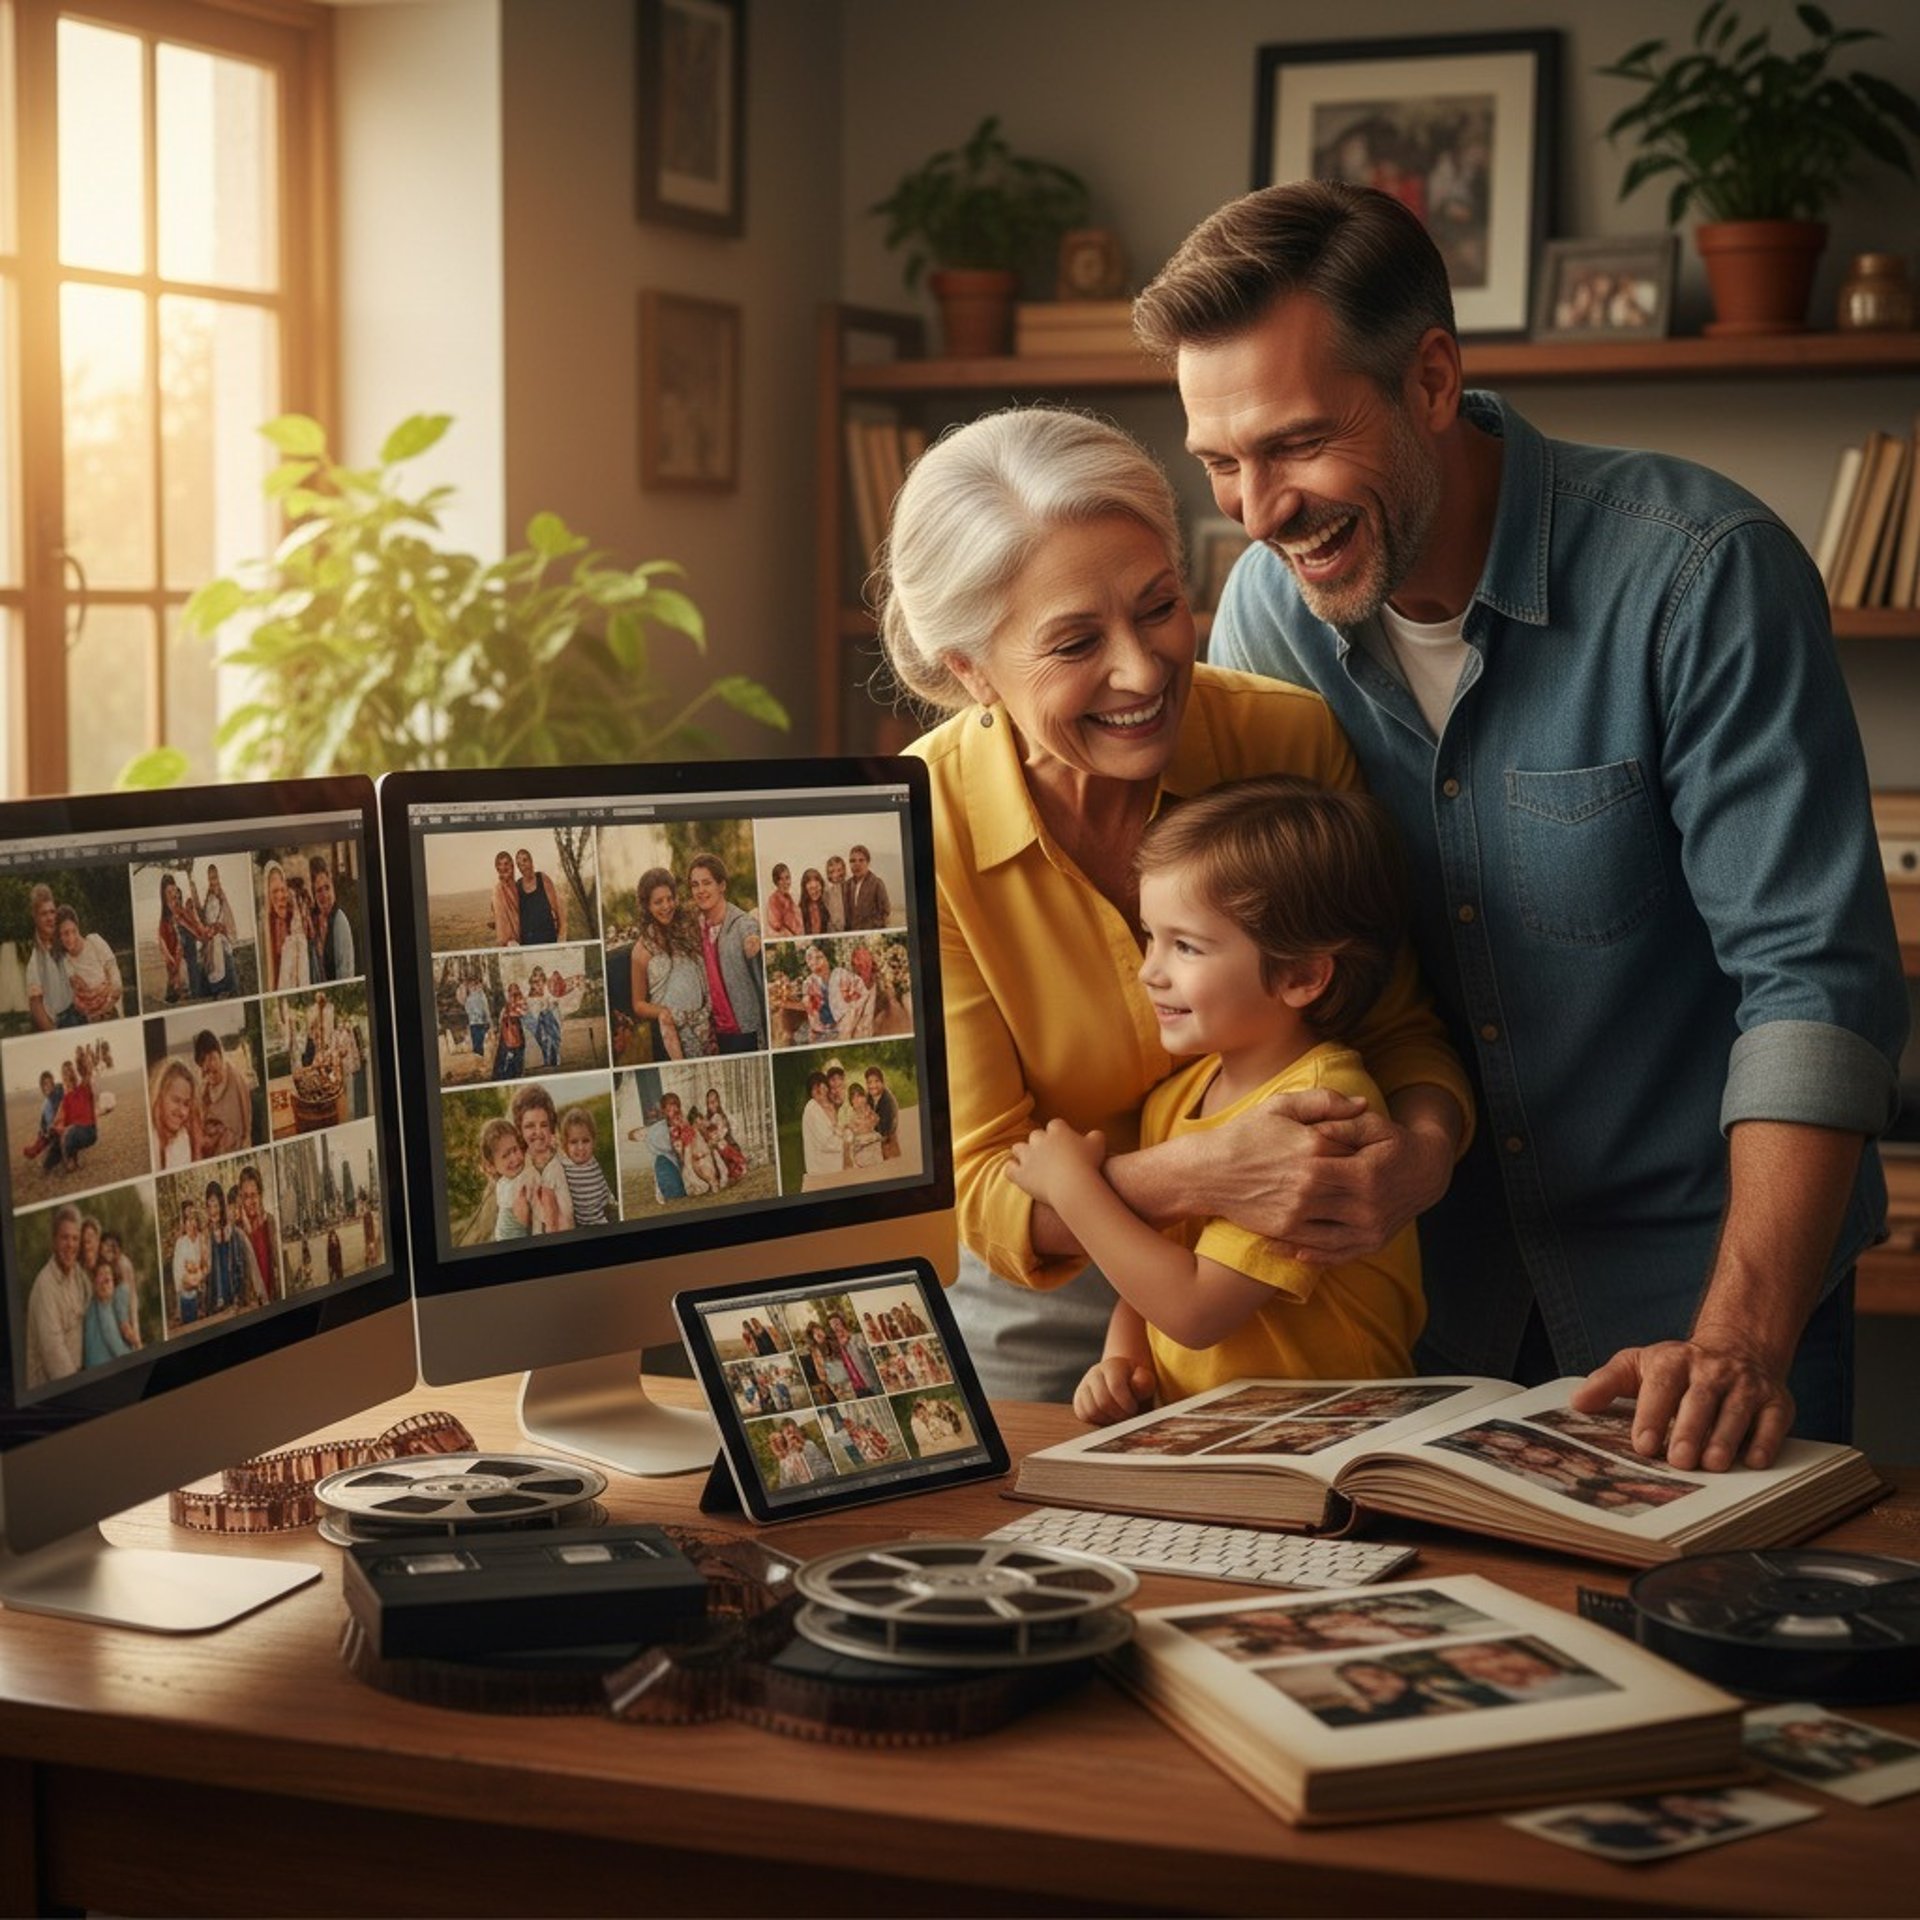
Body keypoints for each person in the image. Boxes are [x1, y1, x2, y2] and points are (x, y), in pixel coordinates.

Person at [1135, 179, 1908, 1465]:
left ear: (1432, 377)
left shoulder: (1701, 574)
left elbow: (1813, 989)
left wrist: (1740, 1337)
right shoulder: (1269, 620)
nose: (1260, 512)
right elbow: (1271, 960)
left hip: (1702, 1310)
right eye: (1221, 462)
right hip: (1424, 1312)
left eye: (1296, 444)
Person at [880, 405, 1470, 1401]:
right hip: (1040, 1309)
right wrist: (1202, 1175)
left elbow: (1394, 1023)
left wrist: (1417, 1160)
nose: (1144, 670)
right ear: (970, 671)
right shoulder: (914, 831)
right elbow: (980, 1188)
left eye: (1158, 607)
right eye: (1075, 644)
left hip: (1301, 1296)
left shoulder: (1285, 742)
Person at [1012, 775, 1423, 1423]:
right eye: (1150, 936)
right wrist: (1122, 1361)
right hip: (1210, 1444)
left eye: (1186, 946)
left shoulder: (1321, 1112)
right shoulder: (1177, 1098)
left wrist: (1072, 1186)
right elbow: (1152, 1267)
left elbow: (1195, 1309)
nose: (1150, 969)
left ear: (1301, 976)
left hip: (1337, 1442)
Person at [631, 869, 713, 1061]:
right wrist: (666, 1013)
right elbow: (638, 1004)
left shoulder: (688, 928)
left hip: (705, 1021)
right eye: (658, 902)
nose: (667, 906)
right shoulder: (642, 949)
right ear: (646, 906)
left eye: (670, 899)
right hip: (672, 1032)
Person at [686, 853, 764, 1053]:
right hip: (715, 1033)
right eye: (695, 885)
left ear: (722, 886)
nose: (701, 890)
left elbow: (750, 934)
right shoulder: (697, 928)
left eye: (707, 883)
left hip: (745, 1030)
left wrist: (753, 942)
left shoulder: (742, 924)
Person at [25, 1206, 89, 1387]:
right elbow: (54, 1356)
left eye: (75, 1238)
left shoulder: (76, 1275)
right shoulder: (45, 1287)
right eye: (65, 1238)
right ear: (53, 1241)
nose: (71, 1245)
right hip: (52, 1390)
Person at [510, 1083, 573, 1234]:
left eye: (544, 1125)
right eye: (530, 1126)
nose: (538, 1132)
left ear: (551, 1127)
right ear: (520, 1129)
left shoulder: (561, 1154)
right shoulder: (521, 1164)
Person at [25, 884, 79, 1030]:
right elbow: (36, 1005)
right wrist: (53, 1034)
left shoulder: (66, 941)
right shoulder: (35, 960)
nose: (50, 918)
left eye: (52, 912)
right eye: (44, 914)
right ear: (35, 917)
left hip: (79, 1014)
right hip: (58, 1024)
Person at [58, 905, 124, 1021]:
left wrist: (108, 1004)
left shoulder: (94, 941)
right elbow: (75, 996)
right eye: (65, 934)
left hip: (112, 1009)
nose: (70, 937)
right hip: (91, 1017)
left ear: (78, 928)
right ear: (59, 937)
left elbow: (114, 975)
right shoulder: (65, 961)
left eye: (73, 931)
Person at [195, 1029, 253, 1158]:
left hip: (232, 1144)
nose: (210, 1075)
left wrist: (220, 1133)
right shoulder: (204, 1087)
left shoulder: (235, 1080)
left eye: (213, 1059)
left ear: (220, 1055)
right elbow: (201, 1119)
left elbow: (242, 1128)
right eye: (207, 1071)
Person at [558, 1104, 614, 1227]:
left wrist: (610, 1199)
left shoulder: (593, 1161)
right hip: (579, 1222)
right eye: (573, 1142)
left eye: (585, 1140)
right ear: (565, 1145)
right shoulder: (565, 1164)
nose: (581, 1147)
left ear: (593, 1141)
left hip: (599, 1218)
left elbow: (602, 1182)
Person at [481, 1118, 537, 1241]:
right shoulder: (515, 1187)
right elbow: (526, 1218)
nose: (515, 1158)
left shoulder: (503, 1181)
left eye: (515, 1149)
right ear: (492, 1166)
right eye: (505, 1155)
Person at [264, 859, 312, 991]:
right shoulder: (268, 924)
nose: (280, 896)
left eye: (282, 890)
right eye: (274, 891)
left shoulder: (294, 916)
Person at [236, 1164, 279, 1307]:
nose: (251, 1202)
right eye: (246, 1196)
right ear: (241, 1198)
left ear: (260, 1195)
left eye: (254, 1195)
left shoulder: (270, 1222)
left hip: (273, 1300)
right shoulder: (237, 1230)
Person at [308, 856, 355, 981]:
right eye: (319, 890)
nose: (324, 895)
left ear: (333, 886)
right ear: (313, 893)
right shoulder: (313, 923)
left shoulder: (340, 921)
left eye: (327, 887)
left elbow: (346, 976)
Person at [199, 863, 238, 997]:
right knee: (212, 968)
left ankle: (226, 991)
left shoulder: (221, 895)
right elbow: (206, 917)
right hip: (211, 938)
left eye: (214, 877)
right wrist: (209, 930)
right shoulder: (208, 896)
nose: (213, 880)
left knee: (224, 965)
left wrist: (219, 928)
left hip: (221, 938)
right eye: (210, 878)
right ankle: (216, 991)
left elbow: (226, 916)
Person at [512, 847, 565, 947]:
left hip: (548, 939)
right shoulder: (517, 886)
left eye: (525, 860)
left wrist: (561, 937)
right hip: (528, 944)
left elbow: (558, 910)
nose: (523, 865)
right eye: (519, 864)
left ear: (531, 861)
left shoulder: (542, 879)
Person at [56, 1055, 98, 1177]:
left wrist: (85, 1059)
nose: (68, 1075)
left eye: (71, 1071)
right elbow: (64, 1122)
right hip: (76, 1132)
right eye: (65, 1072)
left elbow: (88, 1073)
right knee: (66, 1133)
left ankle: (70, 1162)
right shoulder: (66, 1099)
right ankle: (72, 1162)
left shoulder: (83, 1087)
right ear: (63, 1077)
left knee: (70, 1131)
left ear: (75, 1072)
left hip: (89, 1131)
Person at [800, 1070, 846, 1182]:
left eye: (822, 1084)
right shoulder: (812, 1108)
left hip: (833, 1161)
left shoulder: (827, 1106)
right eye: (815, 1087)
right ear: (810, 1092)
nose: (820, 1089)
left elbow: (838, 1130)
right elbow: (826, 1142)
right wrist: (847, 1145)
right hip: (823, 1168)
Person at [99, 1228, 142, 1348]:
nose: (111, 1249)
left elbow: (132, 1298)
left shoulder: (124, 1264)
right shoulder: (103, 1266)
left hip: (124, 1317)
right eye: (107, 1245)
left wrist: (136, 1332)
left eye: (114, 1246)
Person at [172, 1201, 208, 1323]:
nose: (191, 1224)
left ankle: (201, 1307)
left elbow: (205, 1263)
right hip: (186, 1283)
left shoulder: (202, 1238)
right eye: (187, 1220)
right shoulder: (181, 1242)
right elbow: (178, 1270)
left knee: (200, 1282)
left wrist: (199, 1275)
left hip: (200, 1279)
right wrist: (186, 1281)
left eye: (193, 1219)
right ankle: (183, 1309)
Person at [842, 844, 892, 931]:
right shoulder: (847, 885)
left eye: (861, 860)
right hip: (851, 936)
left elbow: (885, 912)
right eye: (853, 861)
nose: (857, 864)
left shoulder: (877, 883)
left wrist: (868, 929)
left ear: (868, 862)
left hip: (871, 935)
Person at [865, 1066, 901, 1160]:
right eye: (869, 1082)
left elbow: (886, 1129)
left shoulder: (888, 1101)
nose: (873, 1085)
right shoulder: (868, 1097)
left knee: (890, 1165)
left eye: (876, 1081)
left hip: (887, 1140)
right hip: (876, 1139)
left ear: (882, 1082)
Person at [490, 849, 522, 947]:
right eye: (499, 865)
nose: (503, 867)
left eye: (506, 864)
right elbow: (499, 918)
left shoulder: (519, 886)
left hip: (524, 940)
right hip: (508, 944)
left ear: (512, 866)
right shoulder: (498, 891)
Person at [764, 862, 804, 938]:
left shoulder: (790, 897)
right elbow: (776, 925)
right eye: (781, 879)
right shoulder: (773, 899)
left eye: (787, 878)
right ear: (776, 882)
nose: (785, 882)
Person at [797, 867, 834, 938]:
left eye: (816, 888)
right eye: (811, 889)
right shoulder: (800, 910)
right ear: (805, 890)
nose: (814, 892)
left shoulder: (826, 905)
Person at [463, 976, 491, 1060]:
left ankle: (480, 1058)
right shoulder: (470, 998)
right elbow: (467, 1009)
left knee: (479, 1042)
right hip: (474, 1022)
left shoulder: (481, 996)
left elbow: (485, 1009)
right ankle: (478, 1058)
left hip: (480, 1022)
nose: (473, 987)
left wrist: (487, 1020)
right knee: (476, 1042)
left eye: (475, 985)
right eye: (471, 986)